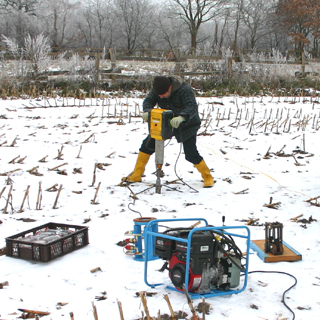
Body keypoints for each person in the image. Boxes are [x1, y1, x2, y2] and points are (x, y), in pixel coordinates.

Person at [124, 75, 214, 188]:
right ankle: (137, 174)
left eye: (163, 94)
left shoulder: (184, 90)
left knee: (190, 154)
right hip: (165, 121)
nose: (160, 97)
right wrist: (147, 111)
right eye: (159, 95)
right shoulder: (158, 89)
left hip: (187, 124)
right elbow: (148, 100)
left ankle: (207, 176)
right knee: (147, 146)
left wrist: (182, 117)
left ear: (170, 87)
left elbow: (191, 107)